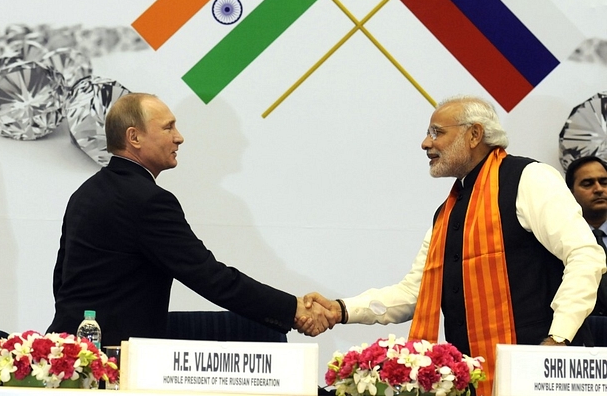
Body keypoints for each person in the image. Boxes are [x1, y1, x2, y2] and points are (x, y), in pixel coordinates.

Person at [303, 95, 605, 396]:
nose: (425, 143)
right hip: (474, 380)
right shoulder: (447, 212)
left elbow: (585, 255)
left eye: (437, 132)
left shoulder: (530, 178)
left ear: (474, 134)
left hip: (546, 374)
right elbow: (413, 293)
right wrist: (340, 310)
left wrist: (558, 340)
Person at [47, 92, 328, 345]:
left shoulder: (85, 193)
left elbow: (62, 280)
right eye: (168, 127)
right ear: (134, 137)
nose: (179, 137)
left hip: (68, 354)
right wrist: (293, 310)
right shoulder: (148, 200)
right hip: (112, 365)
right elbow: (210, 277)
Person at [565, 156, 607, 324]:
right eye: (587, 184)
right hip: (579, 335)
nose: (598, 189)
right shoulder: (559, 241)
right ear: (570, 192)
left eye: (604, 182)